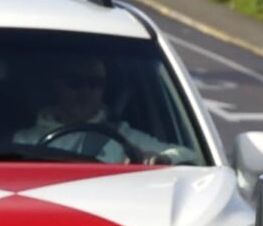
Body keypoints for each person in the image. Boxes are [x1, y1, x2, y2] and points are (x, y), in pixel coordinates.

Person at [12, 53, 176, 163]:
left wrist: (161, 159)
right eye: (76, 82)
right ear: (57, 85)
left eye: (95, 83)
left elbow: (189, 155)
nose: (86, 91)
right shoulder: (26, 140)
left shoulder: (124, 136)